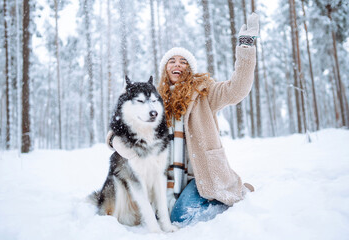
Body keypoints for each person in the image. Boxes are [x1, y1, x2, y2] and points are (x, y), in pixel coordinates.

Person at [107, 12, 259, 227]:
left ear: (189, 69)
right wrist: (113, 137)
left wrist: (246, 47)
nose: (176, 64)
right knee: (161, 215)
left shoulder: (205, 92)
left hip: (201, 173)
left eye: (183, 61)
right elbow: (129, 121)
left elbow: (237, 90)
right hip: (167, 176)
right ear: (165, 68)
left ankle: (226, 199)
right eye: (171, 60)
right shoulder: (156, 100)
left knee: (179, 218)